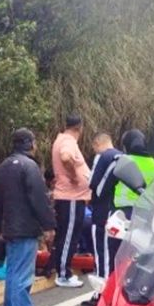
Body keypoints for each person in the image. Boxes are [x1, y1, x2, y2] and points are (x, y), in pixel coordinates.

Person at [0, 129, 56, 306]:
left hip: (9, 227)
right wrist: (48, 225)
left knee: (12, 271)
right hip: (26, 227)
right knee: (23, 272)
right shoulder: (30, 167)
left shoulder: (2, 167)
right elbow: (38, 199)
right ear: (30, 144)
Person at [50, 114, 91, 288]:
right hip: (71, 198)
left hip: (71, 198)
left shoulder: (62, 139)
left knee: (66, 235)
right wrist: (74, 176)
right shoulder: (68, 142)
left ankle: (62, 270)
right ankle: (64, 274)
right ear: (79, 128)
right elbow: (66, 157)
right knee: (68, 236)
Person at [82, 133, 122, 306]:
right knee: (113, 254)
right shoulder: (123, 157)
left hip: (101, 212)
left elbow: (92, 182)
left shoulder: (103, 157)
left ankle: (102, 293)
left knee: (102, 252)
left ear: (98, 143)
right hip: (116, 211)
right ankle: (114, 291)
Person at [111, 130, 154, 262]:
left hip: (122, 212)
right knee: (139, 251)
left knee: (116, 252)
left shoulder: (124, 160)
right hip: (146, 212)